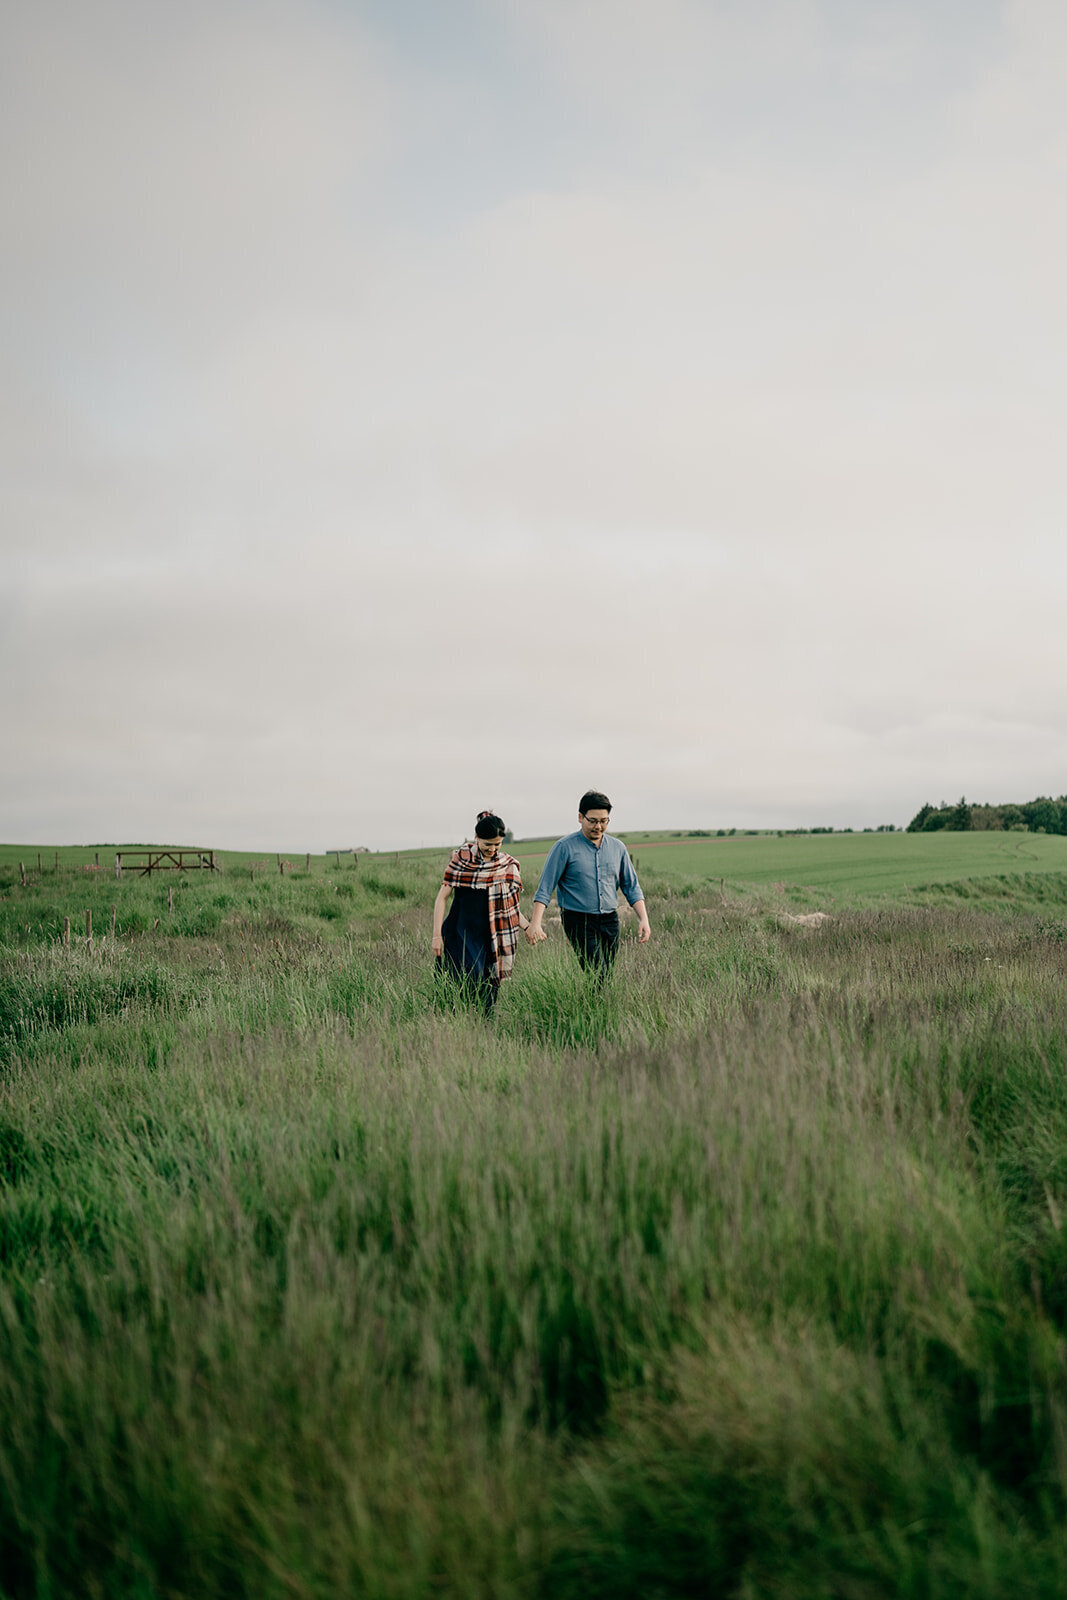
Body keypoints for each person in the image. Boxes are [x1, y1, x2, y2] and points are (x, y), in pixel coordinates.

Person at [526, 790, 651, 980]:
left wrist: (643, 919)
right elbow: (545, 887)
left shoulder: (618, 848)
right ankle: (597, 1006)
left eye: (604, 821)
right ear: (580, 817)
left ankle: (597, 1007)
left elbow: (631, 886)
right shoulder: (564, 847)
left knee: (606, 973)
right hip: (578, 920)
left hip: (610, 920)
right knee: (597, 973)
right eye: (592, 820)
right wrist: (535, 924)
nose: (598, 826)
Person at [432, 811, 530, 1014]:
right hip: (461, 931)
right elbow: (442, 897)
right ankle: (458, 1020)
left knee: (491, 982)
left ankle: (484, 1026)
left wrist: (529, 926)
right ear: (477, 838)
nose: (492, 850)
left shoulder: (507, 866)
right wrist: (436, 935)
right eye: (488, 845)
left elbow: (511, 907)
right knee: (469, 976)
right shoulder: (462, 860)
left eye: (497, 844)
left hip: (493, 934)